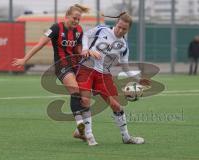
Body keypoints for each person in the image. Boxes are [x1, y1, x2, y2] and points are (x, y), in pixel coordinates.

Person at [12, 4, 90, 141]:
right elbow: (40, 44)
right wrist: (25, 59)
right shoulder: (55, 28)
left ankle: (79, 132)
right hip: (62, 66)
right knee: (75, 90)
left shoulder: (79, 30)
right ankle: (80, 124)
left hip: (76, 65)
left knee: (85, 99)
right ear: (67, 16)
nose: (76, 21)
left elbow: (78, 50)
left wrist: (85, 55)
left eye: (79, 19)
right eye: (74, 18)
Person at [76, 12, 151, 146]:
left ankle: (126, 137)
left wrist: (138, 79)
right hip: (86, 68)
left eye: (124, 29)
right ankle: (89, 134)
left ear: (128, 30)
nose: (120, 30)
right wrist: (86, 49)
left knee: (116, 106)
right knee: (85, 100)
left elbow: (125, 67)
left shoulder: (123, 46)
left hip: (104, 75)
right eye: (119, 27)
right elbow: (86, 35)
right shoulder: (102, 29)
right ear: (116, 24)